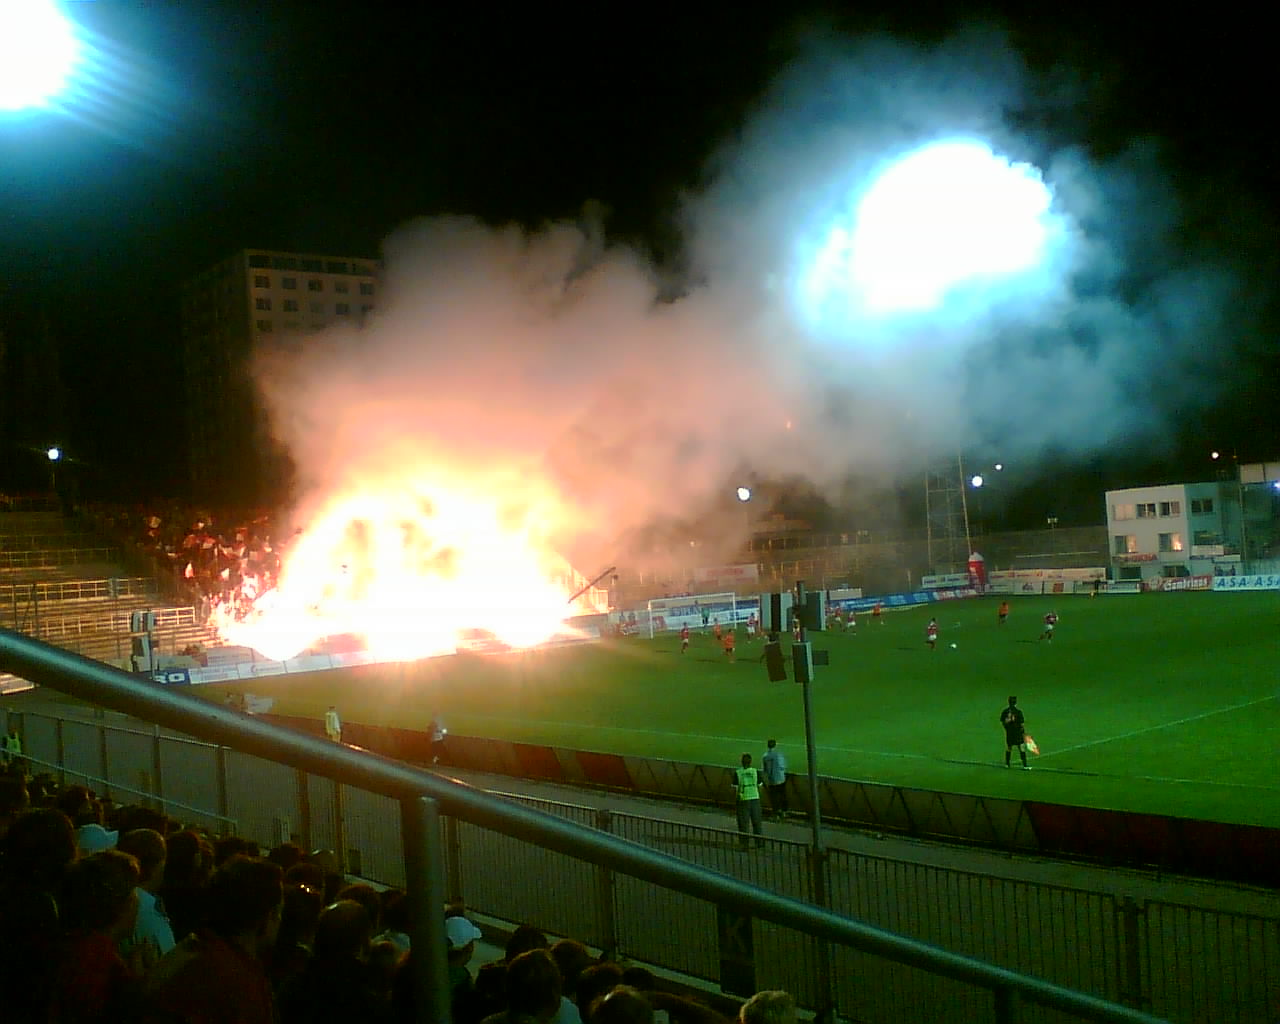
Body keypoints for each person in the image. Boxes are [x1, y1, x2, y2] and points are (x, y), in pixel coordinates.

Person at [732, 753, 764, 849]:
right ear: (751, 762)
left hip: (743, 800)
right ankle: (759, 844)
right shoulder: (756, 772)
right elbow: (760, 786)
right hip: (755, 798)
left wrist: (737, 800)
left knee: (743, 824)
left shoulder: (738, 773)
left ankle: (744, 844)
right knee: (757, 822)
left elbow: (735, 789)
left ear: (742, 762)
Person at [761, 739, 788, 820]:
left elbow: (765, 770)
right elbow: (783, 766)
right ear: (775, 745)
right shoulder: (779, 755)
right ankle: (784, 812)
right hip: (781, 778)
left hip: (772, 780)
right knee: (783, 795)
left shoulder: (765, 756)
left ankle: (775, 814)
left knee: (774, 798)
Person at [1000, 696, 1029, 769]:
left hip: (1009, 733)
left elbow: (1003, 721)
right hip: (1017, 733)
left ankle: (1007, 764)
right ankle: (1025, 765)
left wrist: (1006, 728)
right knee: (1021, 748)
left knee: (1009, 748)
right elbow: (1022, 724)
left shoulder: (1005, 711)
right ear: (1016, 702)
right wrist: (1023, 732)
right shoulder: (1018, 712)